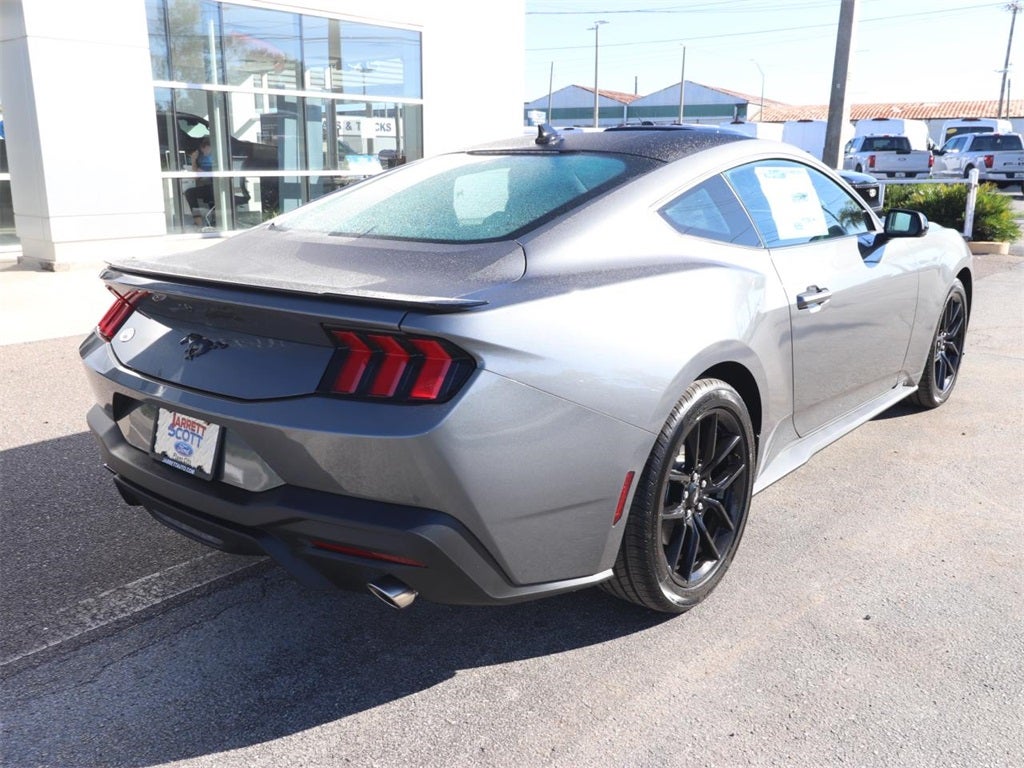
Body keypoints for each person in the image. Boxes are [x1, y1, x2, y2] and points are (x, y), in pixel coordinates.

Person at [184, 136, 214, 227]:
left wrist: (194, 161)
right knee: (191, 193)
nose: (203, 150)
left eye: (204, 147)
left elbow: (197, 176)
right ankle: (199, 221)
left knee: (190, 193)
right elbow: (197, 176)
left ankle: (199, 222)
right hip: (209, 186)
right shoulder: (205, 158)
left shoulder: (211, 158)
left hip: (216, 187)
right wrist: (194, 160)